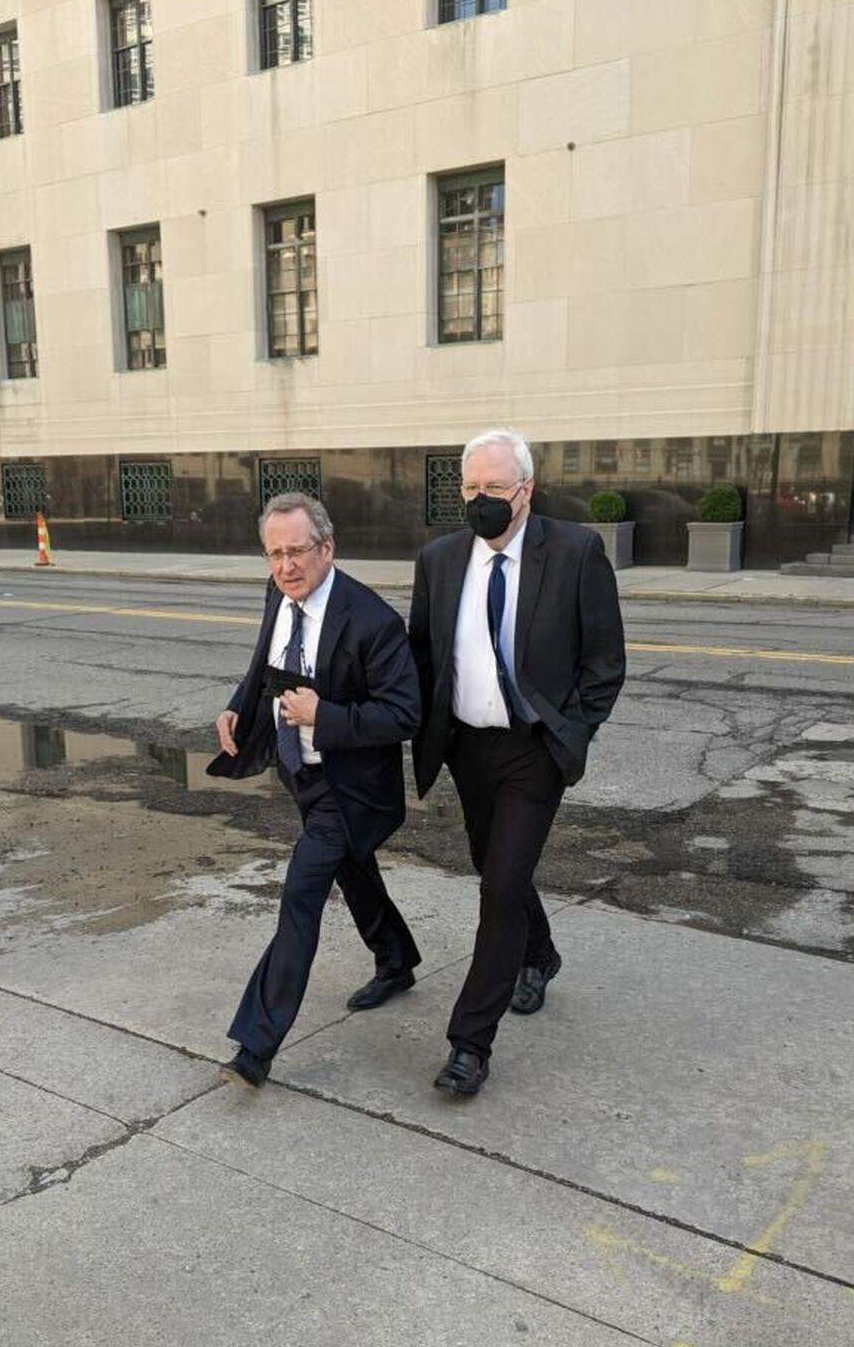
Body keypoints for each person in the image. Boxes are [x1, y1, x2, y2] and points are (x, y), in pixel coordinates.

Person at [409, 428, 625, 1097]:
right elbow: (421, 655)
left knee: (499, 887)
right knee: (495, 866)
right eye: (470, 488)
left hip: (534, 750)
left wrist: (572, 732)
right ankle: (540, 952)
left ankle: (470, 1043)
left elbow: (605, 662)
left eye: (494, 488)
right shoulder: (441, 559)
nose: (479, 500)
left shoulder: (576, 552)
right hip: (468, 747)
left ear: (525, 491)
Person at [209, 492, 421, 1088]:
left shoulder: (372, 620)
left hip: (352, 788)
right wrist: (236, 708)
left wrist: (324, 716)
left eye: (297, 552)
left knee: (302, 894)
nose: (285, 566)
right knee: (354, 869)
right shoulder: (278, 594)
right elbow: (264, 668)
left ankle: (256, 1045)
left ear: (327, 548)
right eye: (274, 554)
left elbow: (404, 714)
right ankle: (397, 960)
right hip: (300, 775)